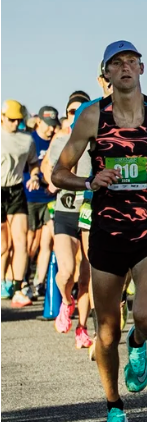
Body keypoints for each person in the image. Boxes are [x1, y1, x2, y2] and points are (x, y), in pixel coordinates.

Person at [52, 40, 147, 422]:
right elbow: (60, 172)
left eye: (131, 61)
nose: (125, 68)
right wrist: (89, 182)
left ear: (142, 68)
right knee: (105, 332)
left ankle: (139, 343)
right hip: (108, 230)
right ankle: (114, 409)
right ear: (106, 73)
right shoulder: (93, 115)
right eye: (116, 63)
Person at [45, 93, 95, 350]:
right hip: (65, 210)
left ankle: (82, 328)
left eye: (80, 112)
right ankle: (66, 301)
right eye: (70, 112)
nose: (74, 117)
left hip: (88, 210)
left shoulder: (98, 141)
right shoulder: (61, 140)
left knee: (86, 274)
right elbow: (51, 172)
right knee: (66, 271)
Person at [1, 99, 42, 307]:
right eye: (11, 120)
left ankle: (18, 289)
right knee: (3, 244)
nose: (15, 124)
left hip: (16, 189)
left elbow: (33, 164)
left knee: (21, 241)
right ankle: (3, 280)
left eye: (18, 120)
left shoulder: (27, 140)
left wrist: (34, 177)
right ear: (2, 118)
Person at [24, 106, 61, 294]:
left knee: (49, 241)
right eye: (48, 125)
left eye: (54, 126)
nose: (51, 129)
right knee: (31, 243)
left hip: (50, 199)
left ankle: (39, 282)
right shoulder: (30, 141)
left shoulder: (56, 141)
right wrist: (33, 177)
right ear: (38, 122)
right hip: (30, 198)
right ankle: (23, 280)